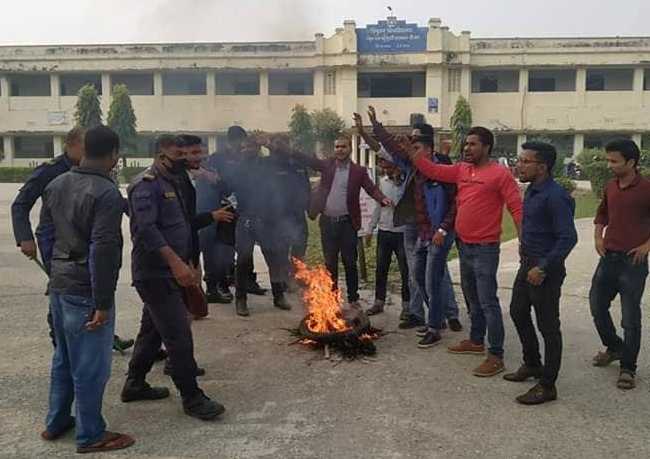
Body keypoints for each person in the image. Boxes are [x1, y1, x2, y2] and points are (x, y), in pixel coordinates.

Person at [121, 135, 233, 420]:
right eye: (181, 153)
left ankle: (134, 383)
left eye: (192, 153)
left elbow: (184, 225)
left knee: (152, 329)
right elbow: (147, 232)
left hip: (175, 269)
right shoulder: (146, 185)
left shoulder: (176, 181)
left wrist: (191, 263)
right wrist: (176, 264)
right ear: (162, 153)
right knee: (178, 334)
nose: (190, 158)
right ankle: (192, 398)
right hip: (155, 273)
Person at [40, 125, 134, 453]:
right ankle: (90, 434)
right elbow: (104, 248)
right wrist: (103, 302)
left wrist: (54, 274)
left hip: (60, 285)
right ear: (113, 154)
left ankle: (56, 422)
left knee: (63, 359)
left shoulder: (57, 183)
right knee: (91, 367)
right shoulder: (106, 193)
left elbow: (45, 234)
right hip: (85, 289)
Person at [408, 126, 522, 377]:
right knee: (472, 299)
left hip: (485, 249)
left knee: (488, 301)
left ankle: (496, 355)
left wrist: (524, 241)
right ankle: (476, 340)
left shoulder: (499, 174)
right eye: (466, 144)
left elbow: (516, 208)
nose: (467, 148)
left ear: (486, 147)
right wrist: (415, 154)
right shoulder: (462, 170)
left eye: (473, 144)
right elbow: (432, 169)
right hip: (464, 246)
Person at [10, 127, 134, 353]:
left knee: (87, 288)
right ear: (71, 145)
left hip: (86, 239)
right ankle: (62, 340)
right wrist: (24, 238)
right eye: (86, 146)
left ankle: (99, 333)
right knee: (65, 288)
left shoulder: (96, 170)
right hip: (56, 241)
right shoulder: (51, 171)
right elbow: (20, 204)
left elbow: (110, 198)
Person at [369, 113, 458, 348]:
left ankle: (435, 325)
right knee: (418, 276)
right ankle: (433, 318)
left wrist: (442, 229)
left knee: (432, 280)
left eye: (416, 146)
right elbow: (391, 148)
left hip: (439, 234)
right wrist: (376, 126)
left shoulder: (443, 170)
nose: (410, 150)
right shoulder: (412, 166)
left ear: (429, 150)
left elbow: (454, 205)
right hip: (421, 233)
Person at [503, 142, 577, 405]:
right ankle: (532, 363)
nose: (518, 165)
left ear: (542, 166)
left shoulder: (555, 196)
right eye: (519, 160)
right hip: (528, 265)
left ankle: (547, 385)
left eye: (525, 161)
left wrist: (543, 267)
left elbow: (568, 238)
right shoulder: (533, 190)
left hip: (545, 270)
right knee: (518, 311)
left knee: (548, 327)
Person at [298, 134, 391, 307]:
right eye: (337, 147)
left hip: (348, 224)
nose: (340, 150)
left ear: (350, 149)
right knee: (330, 263)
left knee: (349, 262)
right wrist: (283, 148)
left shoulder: (358, 171)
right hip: (327, 223)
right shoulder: (327, 166)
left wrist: (382, 198)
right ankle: (332, 299)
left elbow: (371, 188)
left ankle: (353, 298)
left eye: (343, 147)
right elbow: (308, 160)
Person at [589, 139, 650, 390]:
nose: (609, 164)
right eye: (608, 160)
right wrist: (597, 236)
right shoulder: (611, 186)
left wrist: (647, 246)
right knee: (597, 306)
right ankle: (614, 346)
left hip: (633, 262)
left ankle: (628, 368)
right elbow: (602, 213)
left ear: (632, 162)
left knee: (630, 318)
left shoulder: (647, 189)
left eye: (614, 161)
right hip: (608, 258)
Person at [218, 135, 294, 316]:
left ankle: (278, 296)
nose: (246, 150)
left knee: (273, 260)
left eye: (250, 147)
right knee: (243, 260)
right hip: (245, 219)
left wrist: (269, 144)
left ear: (257, 148)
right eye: (244, 148)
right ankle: (241, 300)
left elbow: (284, 158)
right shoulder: (235, 168)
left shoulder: (267, 164)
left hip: (267, 220)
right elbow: (224, 187)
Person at [212, 126, 267, 297]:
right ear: (231, 141)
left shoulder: (249, 158)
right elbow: (214, 181)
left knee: (246, 250)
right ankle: (222, 284)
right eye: (239, 142)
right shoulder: (218, 158)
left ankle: (249, 281)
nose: (241, 146)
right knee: (226, 249)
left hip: (247, 210)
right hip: (226, 209)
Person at [365, 157, 410, 317]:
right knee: (381, 269)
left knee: (406, 270)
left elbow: (408, 205)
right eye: (380, 163)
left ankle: (407, 305)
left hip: (403, 233)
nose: (383, 166)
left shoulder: (406, 181)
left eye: (386, 163)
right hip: (384, 232)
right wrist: (370, 228)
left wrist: (398, 182)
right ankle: (379, 302)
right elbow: (378, 206)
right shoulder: (382, 182)